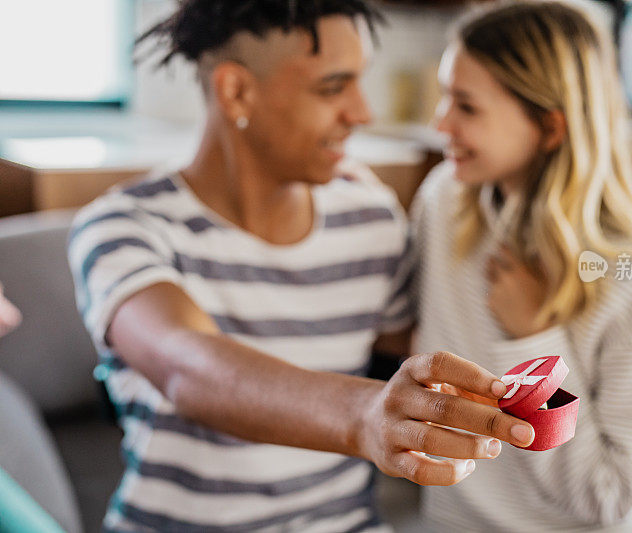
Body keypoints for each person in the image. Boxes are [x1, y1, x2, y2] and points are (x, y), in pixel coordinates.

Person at [67, 1, 536, 531]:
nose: (362, 113)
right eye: (332, 88)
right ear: (236, 91)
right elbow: (189, 367)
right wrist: (364, 415)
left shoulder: (369, 214)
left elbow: (422, 357)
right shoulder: (122, 225)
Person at [413, 1, 632, 531]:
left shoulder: (630, 272)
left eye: (466, 106)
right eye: (445, 95)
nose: (439, 122)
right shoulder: (444, 202)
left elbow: (609, 498)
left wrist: (534, 343)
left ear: (548, 128)